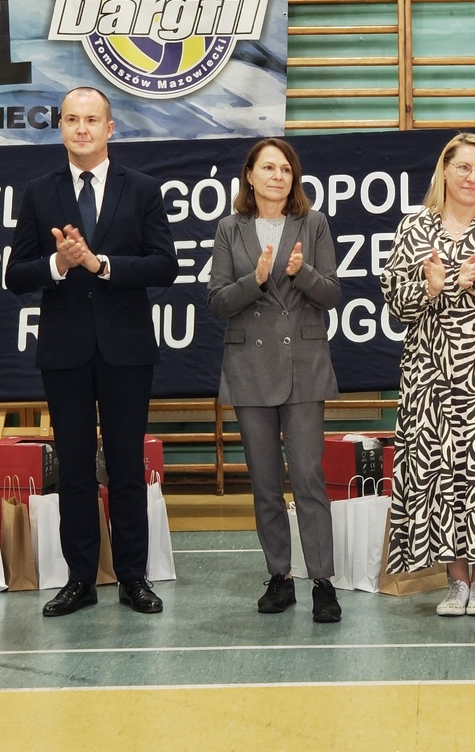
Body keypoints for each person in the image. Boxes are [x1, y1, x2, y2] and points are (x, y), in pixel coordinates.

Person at [7, 87, 178, 617]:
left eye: (91, 120)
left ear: (110, 128)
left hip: (127, 350)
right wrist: (59, 264)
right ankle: (80, 578)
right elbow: (16, 274)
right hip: (66, 352)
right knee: (76, 472)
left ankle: (133, 578)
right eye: (72, 120)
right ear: (60, 127)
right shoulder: (39, 192)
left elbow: (165, 265)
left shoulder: (142, 188)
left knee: (126, 468)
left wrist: (101, 265)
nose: (81, 129)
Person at [381, 132, 475, 618]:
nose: (473, 177)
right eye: (464, 168)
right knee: (440, 473)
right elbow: (397, 305)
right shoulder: (414, 227)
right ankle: (455, 581)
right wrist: (432, 287)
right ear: (444, 172)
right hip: (430, 374)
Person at [208, 138, 343, 623]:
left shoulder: (314, 223)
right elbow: (218, 300)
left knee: (308, 477)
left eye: (285, 169)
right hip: (249, 368)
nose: (277, 176)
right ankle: (279, 576)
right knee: (265, 482)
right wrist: (257, 280)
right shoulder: (230, 228)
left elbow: (331, 294)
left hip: (303, 367)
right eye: (268, 168)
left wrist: (300, 272)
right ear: (250, 175)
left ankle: (322, 582)